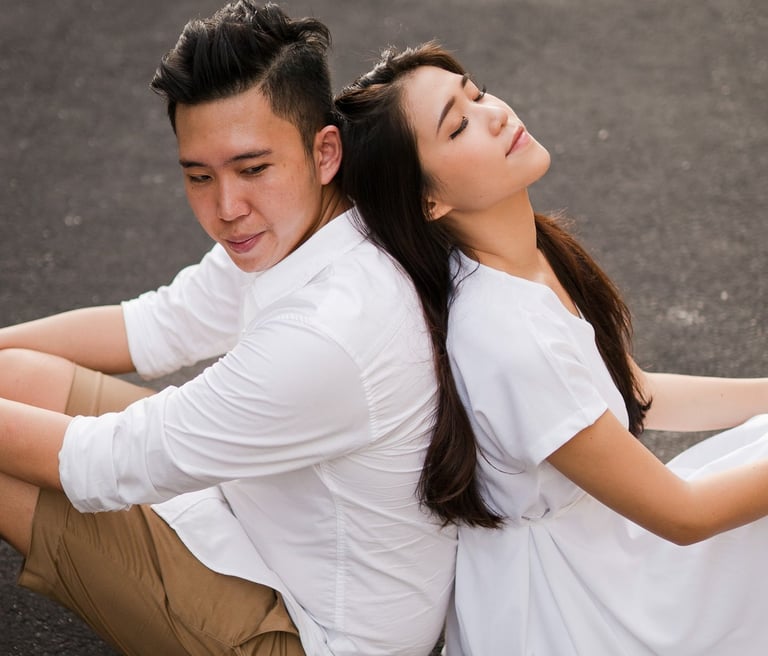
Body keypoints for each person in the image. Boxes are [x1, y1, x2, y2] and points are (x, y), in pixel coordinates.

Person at [0, 4, 461, 654]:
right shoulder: (305, 225)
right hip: (247, 521)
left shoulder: (331, 332)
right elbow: (158, 323)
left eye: (252, 169)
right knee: (14, 376)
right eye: (198, 175)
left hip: (307, 631)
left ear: (325, 150)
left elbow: (105, 464)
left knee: (12, 470)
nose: (226, 209)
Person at [334, 42, 768, 655]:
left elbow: (628, 391)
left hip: (603, 558)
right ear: (428, 200)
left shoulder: (524, 258)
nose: (495, 114)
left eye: (477, 94)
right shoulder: (507, 336)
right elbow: (683, 516)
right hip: (579, 612)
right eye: (458, 126)